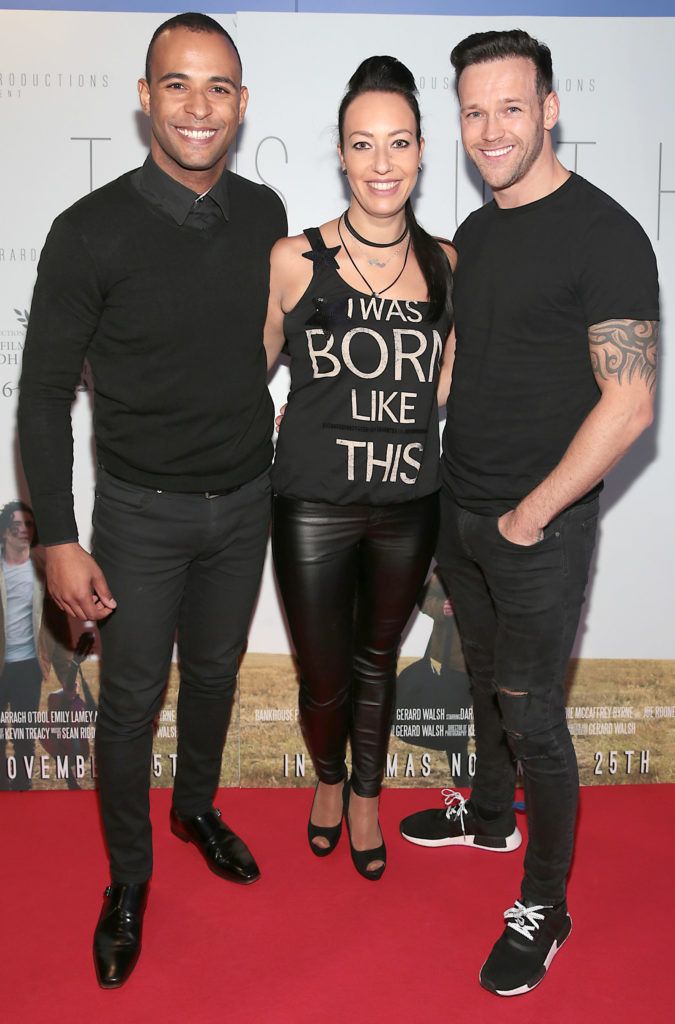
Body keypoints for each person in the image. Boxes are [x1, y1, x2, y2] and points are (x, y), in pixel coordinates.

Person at [18, 12, 287, 988]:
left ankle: (198, 806)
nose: (198, 105)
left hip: (244, 500)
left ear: (243, 103)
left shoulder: (264, 213)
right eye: (177, 84)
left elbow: (263, 341)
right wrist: (57, 539)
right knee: (132, 703)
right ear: (145, 98)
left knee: (215, 672)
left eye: (218, 87)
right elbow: (43, 395)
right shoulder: (87, 232)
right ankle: (128, 882)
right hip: (138, 514)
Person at [400, 29, 658, 996]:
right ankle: (489, 813)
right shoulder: (483, 232)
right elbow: (467, 347)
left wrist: (528, 515)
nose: (490, 129)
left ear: (549, 108)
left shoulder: (606, 234)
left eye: (511, 107)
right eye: (473, 111)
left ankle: (544, 901)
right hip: (457, 504)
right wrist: (416, 447)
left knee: (532, 713)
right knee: (480, 683)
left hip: (537, 526)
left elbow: (628, 404)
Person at [265, 56, 455, 881]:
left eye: (399, 143)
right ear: (340, 155)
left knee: (379, 660)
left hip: (411, 500)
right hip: (311, 499)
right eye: (362, 144)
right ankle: (330, 777)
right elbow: (248, 374)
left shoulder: (450, 261)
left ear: (420, 153)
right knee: (323, 671)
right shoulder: (292, 258)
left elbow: (442, 379)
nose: (382, 163)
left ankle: (368, 796)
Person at [0, 501, 70, 790]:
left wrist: (68, 677)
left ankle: (22, 784)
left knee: (25, 729)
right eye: (17, 525)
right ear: (4, 532)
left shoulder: (43, 568)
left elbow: (58, 623)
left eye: (29, 524)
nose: (24, 530)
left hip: (29, 664)